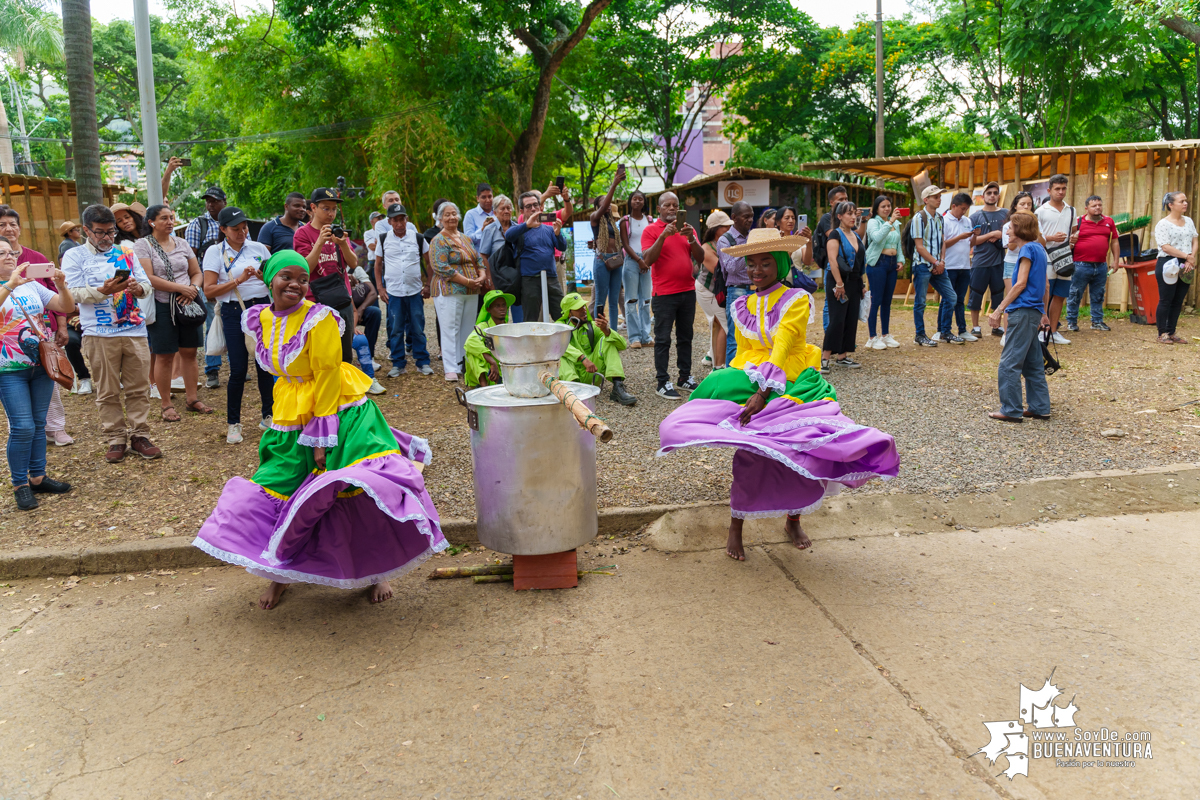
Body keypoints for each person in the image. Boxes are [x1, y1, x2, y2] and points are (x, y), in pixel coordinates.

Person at [192, 249, 447, 609]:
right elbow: (280, 375)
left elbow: (327, 376)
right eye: (286, 277)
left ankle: (377, 571)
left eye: (302, 279)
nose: (295, 284)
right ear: (269, 281)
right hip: (289, 413)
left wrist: (321, 439)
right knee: (278, 486)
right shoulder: (259, 318)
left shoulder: (320, 318)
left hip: (338, 412)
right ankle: (279, 573)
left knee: (354, 492)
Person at [658, 228, 900, 560]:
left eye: (766, 263)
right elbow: (741, 353)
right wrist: (737, 385)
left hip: (792, 381)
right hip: (751, 379)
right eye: (752, 264)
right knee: (750, 454)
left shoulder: (796, 300)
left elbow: (784, 345)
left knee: (800, 452)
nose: (757, 270)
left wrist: (763, 392)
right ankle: (736, 525)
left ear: (782, 264)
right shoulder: (741, 303)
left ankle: (793, 519)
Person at [63, 204, 161, 463]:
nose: (107, 238)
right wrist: (102, 291)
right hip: (98, 333)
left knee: (139, 388)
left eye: (111, 232)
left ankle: (140, 434)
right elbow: (71, 293)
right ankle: (116, 438)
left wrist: (137, 289)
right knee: (107, 390)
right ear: (86, 230)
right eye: (100, 233)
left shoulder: (125, 251)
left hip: (134, 329)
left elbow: (147, 285)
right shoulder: (74, 256)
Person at [0, 240, 77, 509]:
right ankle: (20, 484)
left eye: (11, 252)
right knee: (22, 427)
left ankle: (38, 477)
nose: (10, 256)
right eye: (2, 254)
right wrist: (10, 284)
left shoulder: (32, 285)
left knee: (38, 423)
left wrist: (62, 285)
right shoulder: (12, 284)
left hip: (41, 366)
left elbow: (63, 306)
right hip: (8, 369)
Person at [0, 206, 75, 446]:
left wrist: (62, 325)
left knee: (50, 383)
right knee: (22, 421)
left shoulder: (36, 258)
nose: (8, 228)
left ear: (20, 228)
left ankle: (55, 430)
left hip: (42, 335)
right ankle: (24, 449)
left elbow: (56, 298)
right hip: (9, 357)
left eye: (12, 224)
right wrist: (11, 283)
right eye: (2, 225)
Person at [202, 206, 274, 444]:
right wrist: (238, 280)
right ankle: (234, 423)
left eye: (244, 227)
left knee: (265, 365)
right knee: (238, 370)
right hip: (234, 310)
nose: (242, 231)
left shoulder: (259, 248)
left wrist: (260, 276)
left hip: (262, 308)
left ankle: (269, 415)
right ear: (223, 230)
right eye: (235, 229)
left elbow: (275, 279)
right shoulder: (215, 252)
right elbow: (209, 290)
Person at [134, 204, 211, 422]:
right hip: (162, 305)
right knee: (164, 355)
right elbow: (148, 277)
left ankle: (192, 399)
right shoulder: (144, 245)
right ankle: (166, 403)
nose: (170, 222)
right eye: (164, 218)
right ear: (151, 222)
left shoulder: (182, 243)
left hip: (188, 304)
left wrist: (193, 289)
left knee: (189, 352)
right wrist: (180, 289)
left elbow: (196, 273)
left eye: (172, 217)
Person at [987, 211, 1051, 422]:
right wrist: (1043, 312)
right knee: (1033, 364)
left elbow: (1020, 284)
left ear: (1020, 229)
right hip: (1032, 312)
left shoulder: (1026, 250)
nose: (1007, 230)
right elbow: (1045, 284)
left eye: (1011, 227)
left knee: (1009, 363)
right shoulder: (1040, 249)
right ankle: (1040, 407)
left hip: (1022, 311)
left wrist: (999, 309)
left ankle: (1011, 409)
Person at [642, 191, 702, 400]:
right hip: (664, 293)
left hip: (687, 291)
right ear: (658, 209)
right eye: (667, 205)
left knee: (686, 337)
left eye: (675, 205)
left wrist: (692, 239)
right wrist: (663, 236)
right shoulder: (651, 230)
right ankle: (662, 381)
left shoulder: (688, 229)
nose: (672, 209)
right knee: (663, 339)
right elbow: (648, 259)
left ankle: (684, 377)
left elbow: (701, 258)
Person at [293, 188, 358, 363]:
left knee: (344, 356)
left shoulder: (337, 230)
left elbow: (353, 264)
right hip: (315, 302)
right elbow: (305, 268)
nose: (331, 213)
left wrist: (343, 244)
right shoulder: (302, 233)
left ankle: (342, 389)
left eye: (334, 209)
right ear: (313, 208)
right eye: (326, 208)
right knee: (320, 355)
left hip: (341, 298)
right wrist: (320, 242)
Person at [374, 203, 432, 377]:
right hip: (394, 292)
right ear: (390, 221)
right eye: (395, 220)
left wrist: (428, 284)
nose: (399, 223)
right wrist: (380, 287)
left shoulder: (418, 238)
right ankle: (398, 364)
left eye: (402, 219)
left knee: (418, 327)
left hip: (414, 291)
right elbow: (377, 265)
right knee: (396, 329)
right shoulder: (384, 239)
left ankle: (422, 362)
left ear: (406, 219)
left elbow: (429, 263)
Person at [431, 202, 485, 381]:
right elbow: (441, 267)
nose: (451, 217)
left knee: (468, 328)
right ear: (440, 219)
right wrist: (468, 281)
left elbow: (478, 259)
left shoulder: (466, 238)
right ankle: (451, 368)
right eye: (446, 215)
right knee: (450, 328)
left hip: (471, 291)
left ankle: (464, 363)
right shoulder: (438, 240)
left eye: (454, 213)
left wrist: (482, 276)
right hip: (450, 290)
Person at [556, 292, 636, 405]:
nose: (583, 309)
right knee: (558, 352)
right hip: (572, 377)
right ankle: (571, 394)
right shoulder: (559, 327)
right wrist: (582, 358)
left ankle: (618, 387)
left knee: (608, 340)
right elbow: (557, 345)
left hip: (592, 373)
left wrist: (606, 330)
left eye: (583, 306)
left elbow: (622, 345)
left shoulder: (592, 326)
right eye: (578, 308)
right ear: (569, 314)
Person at [186, 187, 228, 386]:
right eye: (208, 201)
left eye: (215, 200)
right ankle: (212, 370)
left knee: (236, 323)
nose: (211, 204)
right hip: (209, 283)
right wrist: (202, 286)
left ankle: (237, 365)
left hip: (233, 282)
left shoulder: (234, 221)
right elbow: (190, 257)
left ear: (224, 202)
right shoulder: (198, 224)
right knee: (212, 324)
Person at [910, 185, 961, 346]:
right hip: (922, 265)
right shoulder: (919, 218)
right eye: (935, 197)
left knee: (951, 296)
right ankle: (920, 334)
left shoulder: (940, 217)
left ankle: (945, 331)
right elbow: (919, 246)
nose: (939, 199)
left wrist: (942, 261)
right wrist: (936, 262)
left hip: (937, 264)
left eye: (939, 196)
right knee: (921, 301)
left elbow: (942, 242)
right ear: (926, 200)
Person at [506, 191, 566, 323]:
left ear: (541, 207)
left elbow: (562, 247)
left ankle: (562, 343)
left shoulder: (549, 229)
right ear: (522, 210)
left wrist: (558, 234)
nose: (533, 208)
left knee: (562, 316)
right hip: (530, 280)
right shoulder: (520, 229)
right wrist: (527, 225)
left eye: (535, 205)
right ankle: (532, 344)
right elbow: (508, 236)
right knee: (531, 319)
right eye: (528, 206)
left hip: (551, 278)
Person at [1064, 195, 1118, 334]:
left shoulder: (1109, 221)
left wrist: (1116, 260)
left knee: (1098, 294)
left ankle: (1097, 321)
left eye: (1099, 205)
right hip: (1080, 265)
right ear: (1086, 208)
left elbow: (1114, 241)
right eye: (1094, 206)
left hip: (1101, 265)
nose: (1097, 208)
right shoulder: (1078, 222)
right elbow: (1068, 241)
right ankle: (1071, 322)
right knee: (1075, 293)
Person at [822, 201, 865, 371]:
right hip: (838, 281)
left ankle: (843, 356)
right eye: (849, 213)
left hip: (854, 282)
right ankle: (825, 358)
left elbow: (859, 263)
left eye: (855, 213)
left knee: (851, 318)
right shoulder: (835, 235)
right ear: (839, 216)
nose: (853, 217)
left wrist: (861, 284)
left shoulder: (857, 236)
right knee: (837, 319)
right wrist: (839, 283)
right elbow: (832, 260)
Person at [1035, 174, 1076, 345]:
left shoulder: (1071, 210)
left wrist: (1073, 239)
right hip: (1046, 257)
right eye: (1057, 189)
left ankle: (1053, 331)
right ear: (1049, 190)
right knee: (1046, 294)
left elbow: (1073, 231)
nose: (1061, 192)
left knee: (1060, 295)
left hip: (1065, 258)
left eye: (1063, 188)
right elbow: (1036, 238)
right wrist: (1052, 238)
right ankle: (1040, 331)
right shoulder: (1040, 211)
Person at [1152, 191, 1197, 344]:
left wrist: (1191, 257)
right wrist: (1186, 256)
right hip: (1168, 263)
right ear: (1170, 205)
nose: (1185, 203)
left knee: (1178, 300)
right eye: (1181, 201)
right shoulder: (1163, 224)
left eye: (1186, 200)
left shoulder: (1189, 221)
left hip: (1187, 263)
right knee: (1166, 299)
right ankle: (1161, 333)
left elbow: (1195, 239)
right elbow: (1165, 247)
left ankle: (1171, 332)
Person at [967, 182, 1008, 338]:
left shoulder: (1006, 214)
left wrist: (1000, 234)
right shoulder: (974, 217)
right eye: (989, 192)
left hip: (999, 261)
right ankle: (975, 326)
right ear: (982, 196)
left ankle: (996, 326)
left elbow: (1010, 236)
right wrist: (992, 234)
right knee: (976, 294)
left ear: (998, 195)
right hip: (980, 262)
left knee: (998, 293)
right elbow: (971, 241)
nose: (992, 195)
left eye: (995, 192)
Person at [717, 200, 755, 366]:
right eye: (746, 217)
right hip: (737, 292)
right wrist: (749, 249)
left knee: (754, 337)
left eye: (752, 216)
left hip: (757, 291)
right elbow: (731, 268)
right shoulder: (725, 241)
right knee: (734, 338)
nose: (750, 220)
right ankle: (731, 378)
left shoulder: (753, 236)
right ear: (734, 217)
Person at [864, 196, 904, 350]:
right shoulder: (873, 222)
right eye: (883, 206)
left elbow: (898, 244)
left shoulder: (896, 224)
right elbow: (877, 238)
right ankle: (872, 337)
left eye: (888, 206)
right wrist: (890, 221)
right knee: (876, 300)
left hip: (892, 264)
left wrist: (900, 259)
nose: (887, 209)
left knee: (887, 300)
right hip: (878, 263)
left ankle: (885, 335)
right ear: (876, 209)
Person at [590, 167, 627, 326]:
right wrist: (614, 184)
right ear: (598, 206)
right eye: (603, 201)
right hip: (602, 260)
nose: (608, 204)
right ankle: (600, 332)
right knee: (600, 299)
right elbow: (604, 207)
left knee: (614, 300)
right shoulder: (595, 218)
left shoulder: (614, 222)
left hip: (616, 260)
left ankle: (612, 333)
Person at [697, 210, 732, 370]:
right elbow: (722, 272)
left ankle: (712, 358)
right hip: (707, 290)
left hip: (715, 290)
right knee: (724, 325)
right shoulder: (706, 248)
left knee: (716, 324)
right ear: (716, 228)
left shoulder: (722, 243)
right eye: (726, 226)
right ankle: (719, 367)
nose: (729, 228)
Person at [477, 193, 520, 323]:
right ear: (495, 212)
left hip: (516, 276)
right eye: (502, 209)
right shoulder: (490, 230)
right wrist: (489, 278)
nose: (506, 211)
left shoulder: (518, 228)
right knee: (499, 314)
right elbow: (483, 255)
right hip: (498, 277)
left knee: (519, 313)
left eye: (508, 208)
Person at [999, 192, 1035, 344]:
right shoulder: (1008, 225)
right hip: (1012, 263)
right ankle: (1007, 334)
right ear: (1015, 206)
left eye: (1029, 204)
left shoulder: (1035, 223)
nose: (1026, 207)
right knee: (1011, 299)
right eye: (1022, 204)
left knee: (1025, 299)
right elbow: (1011, 246)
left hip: (1029, 262)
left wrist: (1031, 228)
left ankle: (1025, 334)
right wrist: (1018, 230)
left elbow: (1042, 242)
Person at [619, 190, 653, 348]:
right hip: (632, 261)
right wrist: (639, 260)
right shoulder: (625, 221)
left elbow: (653, 241)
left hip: (647, 260)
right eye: (634, 199)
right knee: (631, 300)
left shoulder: (650, 220)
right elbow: (625, 244)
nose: (637, 201)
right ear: (630, 201)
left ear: (644, 202)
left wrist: (646, 260)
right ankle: (634, 338)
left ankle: (646, 336)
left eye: (641, 199)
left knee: (646, 300)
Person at [940, 192, 976, 342]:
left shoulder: (967, 220)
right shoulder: (943, 220)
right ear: (953, 206)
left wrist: (974, 235)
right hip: (949, 265)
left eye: (966, 209)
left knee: (960, 299)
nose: (964, 212)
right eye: (962, 208)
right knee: (948, 299)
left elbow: (971, 244)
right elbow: (943, 244)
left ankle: (962, 330)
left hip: (964, 265)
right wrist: (960, 237)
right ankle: (942, 330)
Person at [463, 290, 514, 388]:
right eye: (497, 306)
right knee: (471, 352)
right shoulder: (483, 326)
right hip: (488, 371)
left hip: (504, 371)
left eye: (504, 305)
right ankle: (484, 387)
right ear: (488, 309)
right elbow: (470, 342)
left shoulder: (509, 328)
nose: (502, 308)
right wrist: (492, 361)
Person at [348, 267, 386, 395]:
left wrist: (359, 311)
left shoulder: (355, 269)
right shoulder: (328, 272)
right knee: (358, 339)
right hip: (340, 315)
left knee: (374, 313)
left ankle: (368, 363)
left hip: (356, 311)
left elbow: (373, 293)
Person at [775, 206, 816, 287]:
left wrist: (809, 241)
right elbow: (778, 265)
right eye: (787, 218)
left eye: (793, 218)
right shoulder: (774, 242)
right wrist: (792, 248)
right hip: (781, 284)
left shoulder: (798, 240)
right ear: (778, 222)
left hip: (797, 285)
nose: (791, 221)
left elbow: (807, 261)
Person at [463, 183, 494, 248]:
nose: (488, 200)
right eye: (484, 197)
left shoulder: (498, 212)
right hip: (480, 256)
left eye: (490, 196)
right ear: (477, 199)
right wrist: (482, 230)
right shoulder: (470, 215)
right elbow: (467, 240)